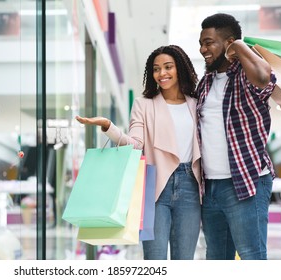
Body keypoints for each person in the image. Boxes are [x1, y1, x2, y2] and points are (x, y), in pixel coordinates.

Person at [76, 45, 203, 260]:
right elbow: (135, 145)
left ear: (180, 68)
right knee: (154, 259)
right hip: (155, 187)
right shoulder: (143, 105)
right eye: (156, 69)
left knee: (185, 261)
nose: (162, 73)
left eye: (168, 67)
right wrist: (109, 127)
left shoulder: (197, 104)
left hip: (191, 186)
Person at [197, 13, 277, 260]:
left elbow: (265, 78)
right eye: (201, 43)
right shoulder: (206, 82)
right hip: (211, 187)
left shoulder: (246, 76)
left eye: (209, 42)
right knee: (217, 259)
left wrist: (240, 46)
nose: (203, 49)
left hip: (245, 182)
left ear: (228, 42)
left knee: (252, 257)